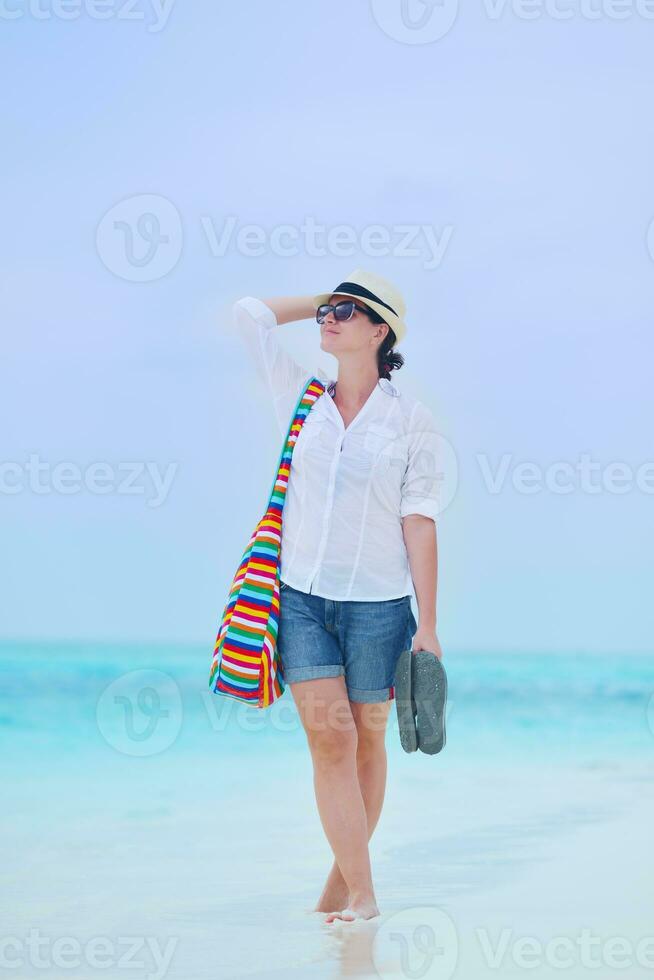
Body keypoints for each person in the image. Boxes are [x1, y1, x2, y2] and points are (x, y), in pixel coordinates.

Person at [231, 269, 443, 923]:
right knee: (329, 744)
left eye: (348, 312)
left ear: (381, 332)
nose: (330, 318)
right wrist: (321, 297)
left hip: (379, 608)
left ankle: (338, 887)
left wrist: (428, 628)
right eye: (330, 309)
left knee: (367, 747)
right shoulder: (300, 398)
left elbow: (420, 521)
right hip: (300, 602)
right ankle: (366, 894)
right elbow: (249, 313)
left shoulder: (411, 421)